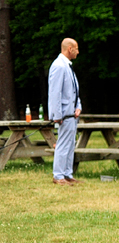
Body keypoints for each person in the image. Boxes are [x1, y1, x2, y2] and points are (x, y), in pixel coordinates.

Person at [48, 38, 82, 186]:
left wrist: (78, 106)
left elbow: (73, 91)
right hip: (64, 114)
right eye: (76, 48)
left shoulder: (68, 66)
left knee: (70, 144)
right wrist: (57, 115)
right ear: (70, 49)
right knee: (62, 144)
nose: (78, 52)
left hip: (72, 113)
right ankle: (58, 175)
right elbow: (55, 93)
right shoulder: (59, 66)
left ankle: (68, 174)